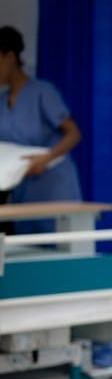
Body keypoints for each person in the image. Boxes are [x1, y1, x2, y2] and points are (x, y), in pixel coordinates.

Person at [0, 25, 82, 234]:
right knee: (29, 253)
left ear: (9, 56)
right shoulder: (2, 102)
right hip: (23, 192)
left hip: (53, 186)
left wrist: (45, 159)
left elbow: (73, 133)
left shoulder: (43, 92)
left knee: (60, 251)